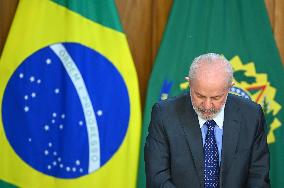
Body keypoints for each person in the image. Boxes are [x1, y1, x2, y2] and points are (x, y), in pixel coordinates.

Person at [144, 53, 270, 188]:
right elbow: (157, 178)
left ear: (230, 87)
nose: (207, 106)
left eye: (216, 98)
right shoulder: (164, 115)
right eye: (200, 96)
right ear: (189, 83)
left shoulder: (251, 115)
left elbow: (258, 177)